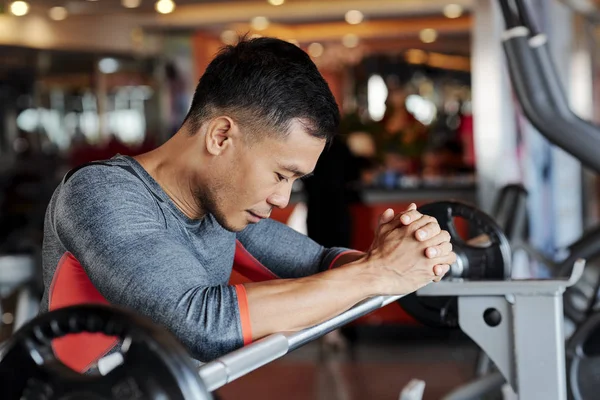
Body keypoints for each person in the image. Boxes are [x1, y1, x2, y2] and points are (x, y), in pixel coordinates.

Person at [39, 37, 456, 372]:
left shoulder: (222, 209)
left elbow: (321, 266)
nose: (281, 198)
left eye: (295, 181)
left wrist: (404, 254)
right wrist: (378, 272)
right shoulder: (101, 194)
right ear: (221, 136)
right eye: (279, 174)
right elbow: (200, 323)